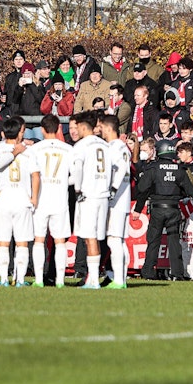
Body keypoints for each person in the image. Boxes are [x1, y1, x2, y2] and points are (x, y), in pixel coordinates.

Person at [134, 138, 193, 281]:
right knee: (174, 242)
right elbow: (192, 191)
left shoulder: (153, 168)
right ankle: (177, 274)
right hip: (173, 209)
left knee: (153, 241)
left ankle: (149, 272)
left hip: (157, 208)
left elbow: (141, 188)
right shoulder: (180, 169)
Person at [0, 117, 39, 287]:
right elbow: (35, 175)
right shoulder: (28, 150)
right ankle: (21, 279)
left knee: (2, 241)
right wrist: (34, 197)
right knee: (22, 242)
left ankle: (3, 279)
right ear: (19, 132)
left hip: (3, 199)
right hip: (22, 199)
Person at [28, 114, 74, 288]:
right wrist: (63, 183)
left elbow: (31, 174)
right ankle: (60, 281)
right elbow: (76, 176)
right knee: (60, 241)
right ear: (59, 128)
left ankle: (39, 280)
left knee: (39, 239)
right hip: (60, 198)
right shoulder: (68, 149)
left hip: (40, 198)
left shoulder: (35, 149)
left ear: (41, 130)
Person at [68, 111, 111, 288]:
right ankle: (94, 276)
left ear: (83, 126)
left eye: (77, 126)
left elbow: (77, 170)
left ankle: (93, 279)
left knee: (89, 237)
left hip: (89, 195)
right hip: (103, 195)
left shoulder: (81, 146)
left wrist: (77, 189)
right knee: (98, 237)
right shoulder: (105, 145)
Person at [100, 114, 132, 289]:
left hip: (117, 201)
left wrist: (112, 190)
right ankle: (121, 278)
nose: (101, 131)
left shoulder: (115, 147)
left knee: (114, 239)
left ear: (109, 128)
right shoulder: (122, 147)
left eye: (103, 128)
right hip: (123, 200)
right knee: (119, 241)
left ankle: (119, 280)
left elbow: (121, 170)